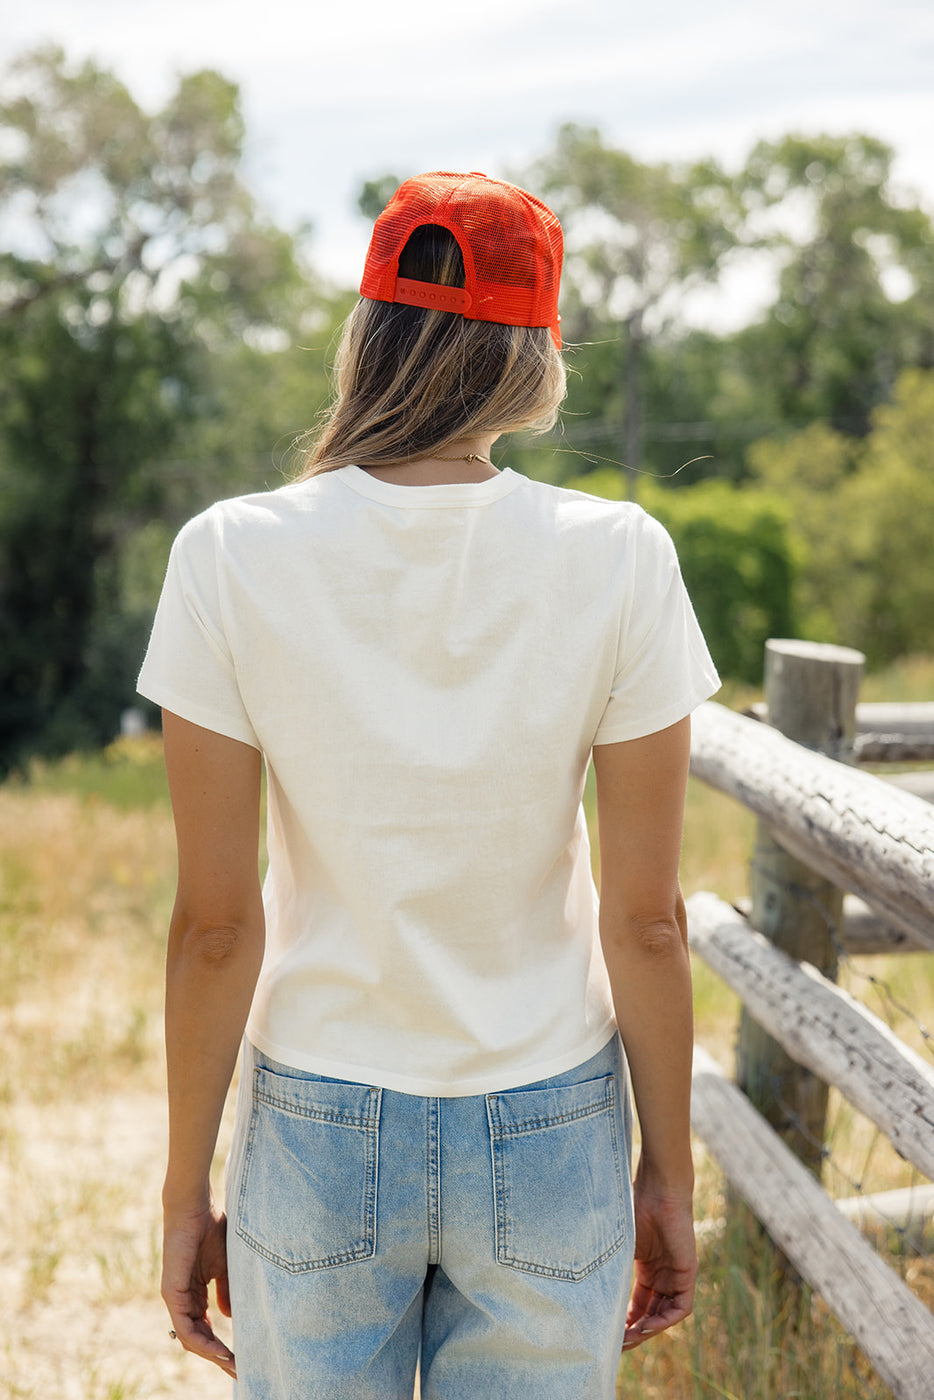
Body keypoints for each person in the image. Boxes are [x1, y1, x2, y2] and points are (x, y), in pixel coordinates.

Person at [138, 171, 720, 1399]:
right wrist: (667, 1176)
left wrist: (190, 1184)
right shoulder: (619, 557)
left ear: (370, 336)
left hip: (318, 1120)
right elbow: (649, 919)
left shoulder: (230, 554)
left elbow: (213, 926)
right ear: (534, 355)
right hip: (552, 1118)